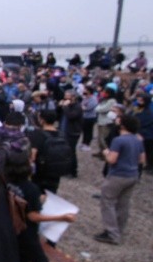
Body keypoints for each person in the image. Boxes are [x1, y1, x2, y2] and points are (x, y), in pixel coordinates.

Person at [4, 151, 76, 262]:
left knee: (21, 260)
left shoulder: (7, 182)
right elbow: (32, 216)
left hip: (12, 228)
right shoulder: (30, 188)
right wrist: (61, 217)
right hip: (27, 232)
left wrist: (39, 198)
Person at [94, 114, 146, 245]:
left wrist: (106, 153)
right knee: (123, 204)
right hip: (133, 175)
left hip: (118, 175)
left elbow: (112, 160)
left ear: (123, 125)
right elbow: (142, 160)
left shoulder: (118, 140)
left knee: (107, 202)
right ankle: (119, 230)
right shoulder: (138, 140)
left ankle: (111, 233)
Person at [58, 90, 82, 178]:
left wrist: (65, 107)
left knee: (71, 151)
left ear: (73, 97)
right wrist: (60, 106)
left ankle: (73, 171)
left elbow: (71, 116)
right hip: (63, 129)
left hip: (72, 132)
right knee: (64, 151)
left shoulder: (77, 106)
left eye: (67, 96)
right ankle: (65, 169)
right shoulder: (67, 105)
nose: (65, 98)